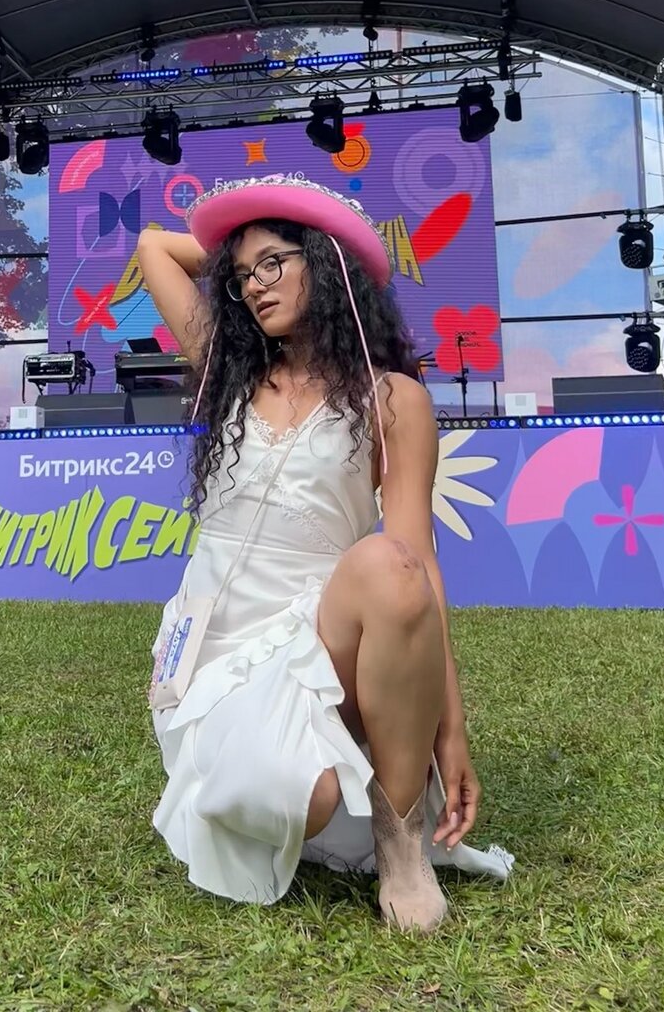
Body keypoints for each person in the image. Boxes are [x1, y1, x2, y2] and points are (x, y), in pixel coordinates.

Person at [138, 175, 512, 932]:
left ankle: (400, 842)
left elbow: (419, 566)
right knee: (304, 798)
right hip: (211, 658)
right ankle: (301, 778)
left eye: (274, 263)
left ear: (326, 262)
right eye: (242, 275)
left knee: (391, 565)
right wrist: (245, 245)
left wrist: (452, 730)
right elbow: (154, 247)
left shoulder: (392, 398)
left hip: (320, 637)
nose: (253, 286)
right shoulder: (229, 367)